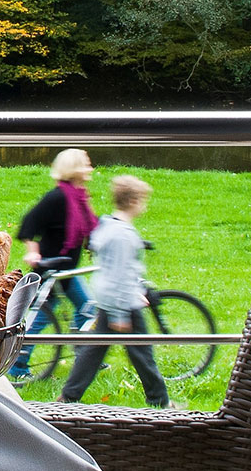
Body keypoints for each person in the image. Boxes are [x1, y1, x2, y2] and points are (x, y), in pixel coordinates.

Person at [59, 174, 170, 408]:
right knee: (142, 353)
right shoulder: (123, 235)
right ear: (134, 201)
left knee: (94, 351)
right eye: (143, 200)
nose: (145, 205)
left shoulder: (108, 225)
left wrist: (135, 288)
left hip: (108, 298)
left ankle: (68, 397)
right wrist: (121, 314)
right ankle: (160, 401)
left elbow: (116, 269)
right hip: (122, 304)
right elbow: (120, 272)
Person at [8, 148, 99, 380]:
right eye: (87, 164)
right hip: (52, 268)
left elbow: (90, 227)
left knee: (87, 309)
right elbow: (30, 223)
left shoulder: (78, 197)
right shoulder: (57, 197)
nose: (91, 168)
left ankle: (84, 358)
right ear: (75, 168)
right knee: (41, 319)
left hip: (67, 269)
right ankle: (17, 366)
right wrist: (32, 251)